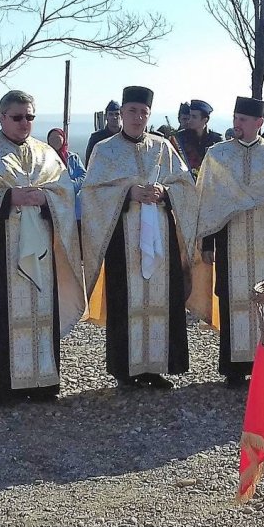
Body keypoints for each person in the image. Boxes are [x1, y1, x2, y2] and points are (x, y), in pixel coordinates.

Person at [0, 91, 84, 403]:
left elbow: (64, 193)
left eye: (30, 117)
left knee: (40, 313)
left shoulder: (46, 153)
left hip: (41, 254)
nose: (25, 123)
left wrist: (46, 198)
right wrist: (7, 197)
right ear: (1, 117)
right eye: (18, 117)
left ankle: (41, 382)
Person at [81, 85, 198, 389]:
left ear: (149, 114)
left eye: (143, 112)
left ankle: (156, 367)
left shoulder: (163, 147)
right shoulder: (105, 149)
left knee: (162, 297)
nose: (138, 117)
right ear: (122, 113)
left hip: (160, 236)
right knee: (126, 299)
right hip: (122, 238)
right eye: (132, 111)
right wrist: (126, 193)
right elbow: (91, 193)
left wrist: (165, 192)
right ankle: (126, 369)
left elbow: (185, 186)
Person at [190, 96, 264, 387]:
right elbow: (209, 203)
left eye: (242, 119)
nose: (236, 123)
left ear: (258, 123)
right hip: (230, 236)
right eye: (235, 118)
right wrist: (207, 244)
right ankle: (234, 368)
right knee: (232, 296)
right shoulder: (218, 156)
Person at [173, 99, 223, 176]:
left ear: (205, 120)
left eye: (194, 117)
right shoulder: (180, 138)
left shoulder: (216, 141)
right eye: (190, 116)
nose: (190, 120)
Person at [46, 128, 86, 219]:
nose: (55, 141)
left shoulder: (73, 158)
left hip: (74, 206)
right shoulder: (44, 160)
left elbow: (83, 176)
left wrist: (70, 186)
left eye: (58, 138)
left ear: (64, 139)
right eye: (52, 138)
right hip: (53, 205)